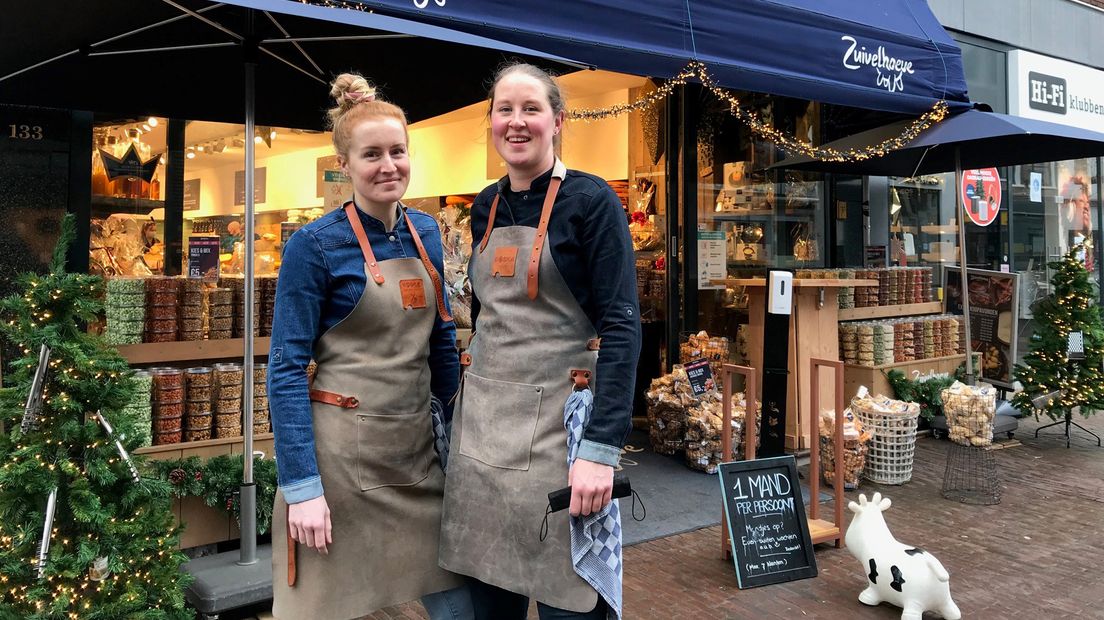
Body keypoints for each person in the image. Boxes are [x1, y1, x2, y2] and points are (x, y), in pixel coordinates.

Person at [440, 63, 641, 620]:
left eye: (531, 109)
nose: (517, 122)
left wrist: (600, 452)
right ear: (491, 122)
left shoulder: (591, 201)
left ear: (558, 120)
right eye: (505, 109)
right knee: (490, 604)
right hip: (483, 440)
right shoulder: (484, 205)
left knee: (569, 604)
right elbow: (488, 320)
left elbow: (623, 327)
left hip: (561, 443)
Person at [267, 73, 472, 619]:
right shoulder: (314, 246)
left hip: (417, 456)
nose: (388, 166)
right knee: (328, 606)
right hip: (338, 470)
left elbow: (443, 342)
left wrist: (462, 433)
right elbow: (286, 369)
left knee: (457, 606)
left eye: (398, 151)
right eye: (372, 154)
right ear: (345, 164)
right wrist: (302, 486)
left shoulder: (427, 231)